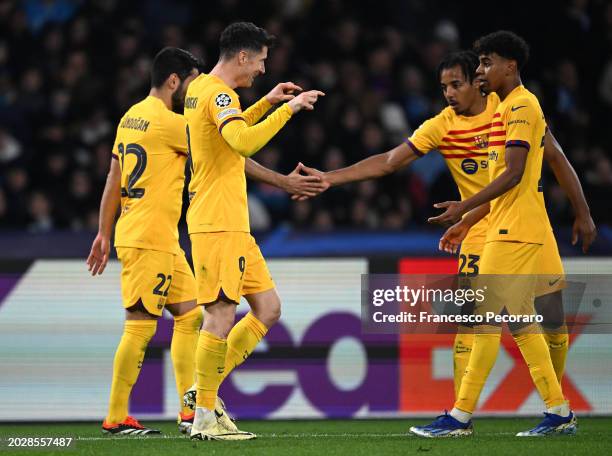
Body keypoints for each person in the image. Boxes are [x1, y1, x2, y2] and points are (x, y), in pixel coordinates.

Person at [297, 50, 595, 405]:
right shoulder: (443, 125)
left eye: (456, 84)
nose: (449, 94)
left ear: (478, 82)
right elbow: (390, 161)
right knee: (471, 326)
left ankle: (556, 410)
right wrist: (331, 178)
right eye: (443, 87)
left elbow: (556, 156)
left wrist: (583, 212)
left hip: (527, 225)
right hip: (479, 231)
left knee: (553, 323)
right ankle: (462, 415)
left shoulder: (510, 108)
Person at [87, 46, 325, 437]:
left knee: (189, 315)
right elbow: (229, 147)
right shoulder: (168, 122)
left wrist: (103, 230)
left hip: (155, 233)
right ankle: (117, 416)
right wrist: (283, 177)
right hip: (152, 235)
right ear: (174, 81)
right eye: (190, 82)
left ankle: (190, 406)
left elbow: (114, 177)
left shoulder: (131, 116)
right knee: (141, 325)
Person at [410, 30, 582, 437]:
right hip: (514, 224)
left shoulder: (522, 106)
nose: (481, 70)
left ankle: (459, 416)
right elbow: (512, 181)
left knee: (486, 321)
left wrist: (464, 207)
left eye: (487, 63)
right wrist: (469, 220)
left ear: (511, 66)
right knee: (521, 322)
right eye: (480, 63)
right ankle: (558, 412)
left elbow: (514, 174)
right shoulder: (506, 111)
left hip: (513, 230)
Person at [183, 22, 324, 440]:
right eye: (260, 61)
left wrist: (265, 101)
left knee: (268, 309)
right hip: (217, 221)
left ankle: (200, 391)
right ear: (242, 57)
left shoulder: (200, 90)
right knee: (221, 314)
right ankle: (205, 416)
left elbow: (229, 134)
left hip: (231, 223)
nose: (262, 69)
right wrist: (290, 108)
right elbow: (242, 141)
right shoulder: (218, 94)